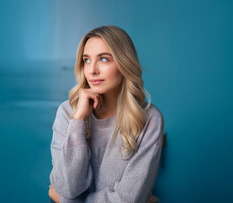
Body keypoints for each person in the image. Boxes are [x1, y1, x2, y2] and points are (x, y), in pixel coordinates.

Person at [49, 25, 164, 203]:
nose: (92, 70)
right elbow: (68, 187)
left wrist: (66, 201)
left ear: (124, 63)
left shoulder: (149, 119)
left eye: (103, 59)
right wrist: (78, 121)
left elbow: (127, 200)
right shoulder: (67, 113)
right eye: (86, 60)